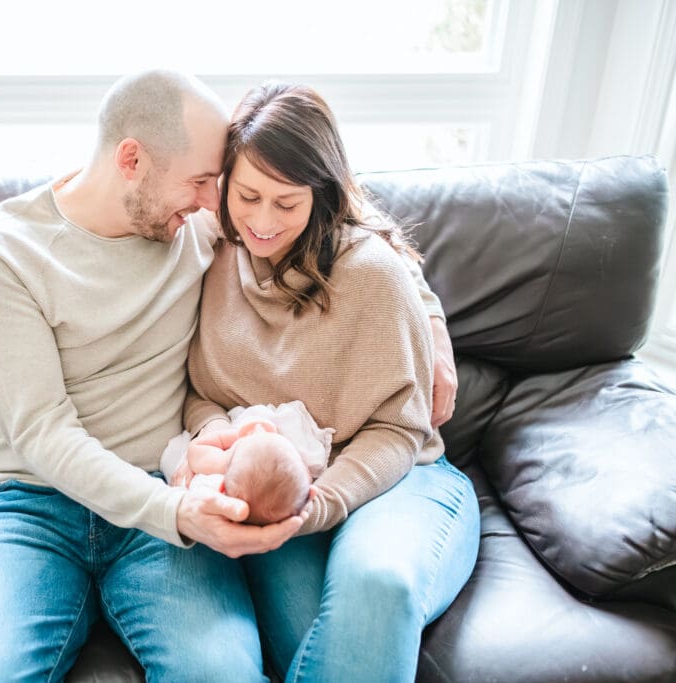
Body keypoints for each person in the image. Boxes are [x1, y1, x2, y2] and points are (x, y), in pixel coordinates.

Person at [0, 70, 308, 683]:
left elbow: (335, 221)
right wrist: (174, 511)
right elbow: (42, 432)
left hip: (162, 492)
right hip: (28, 506)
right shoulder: (1, 252)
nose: (213, 202)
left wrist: (430, 312)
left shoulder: (195, 228)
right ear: (132, 160)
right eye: (200, 181)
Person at [183, 82, 481, 682]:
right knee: (310, 643)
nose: (263, 222)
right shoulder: (213, 258)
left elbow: (400, 427)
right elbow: (201, 394)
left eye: (287, 203)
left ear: (321, 194)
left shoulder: (372, 274)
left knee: (376, 586)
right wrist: (227, 442)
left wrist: (321, 500)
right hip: (278, 494)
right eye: (248, 196)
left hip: (397, 478)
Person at [161, 401, 332, 525]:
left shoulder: (219, 466)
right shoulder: (309, 459)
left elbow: (195, 448)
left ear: (222, 488)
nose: (263, 430)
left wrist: (235, 438)